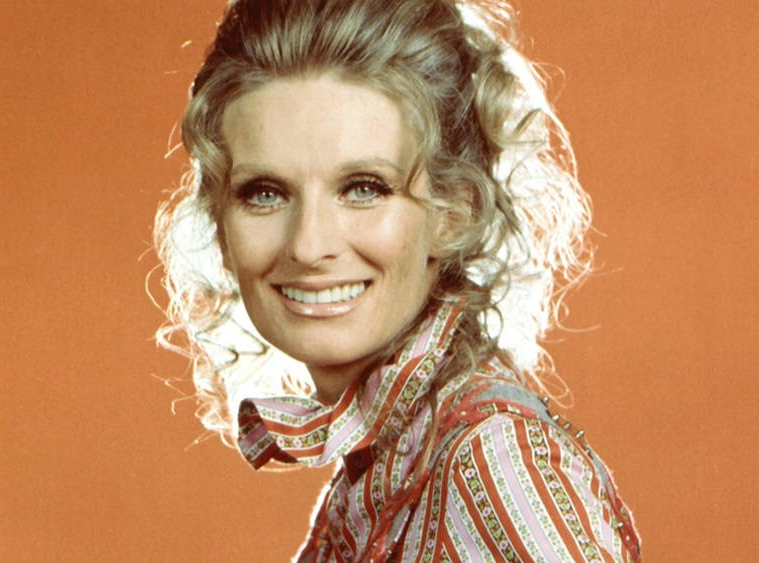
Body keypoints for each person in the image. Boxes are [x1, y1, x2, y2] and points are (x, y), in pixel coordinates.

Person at [153, 0, 640, 560]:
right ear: (220, 221)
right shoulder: (387, 464)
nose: (308, 246)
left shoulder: (494, 463)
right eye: (265, 193)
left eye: (364, 188)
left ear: (452, 211)